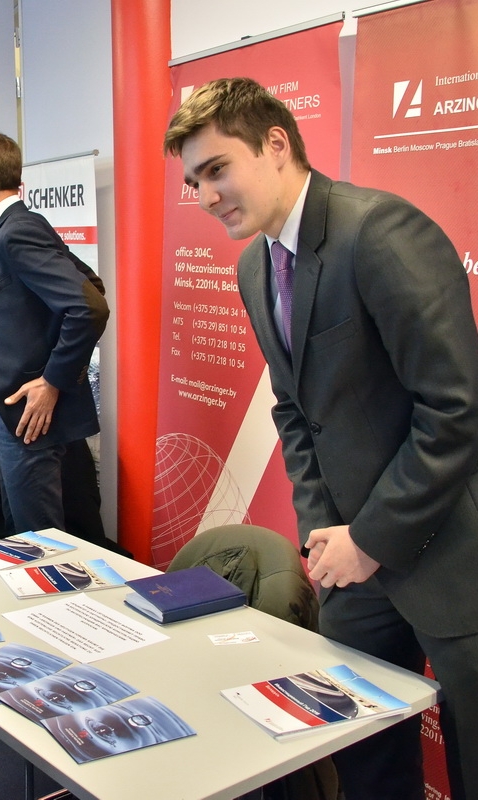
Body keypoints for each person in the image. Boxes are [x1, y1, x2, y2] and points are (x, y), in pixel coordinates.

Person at [164, 76, 478, 800]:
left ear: (276, 144)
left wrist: (370, 537)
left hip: (452, 559)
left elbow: (455, 410)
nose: (205, 196)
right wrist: (324, 531)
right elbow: (295, 411)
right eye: (193, 181)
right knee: (363, 762)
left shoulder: (380, 233)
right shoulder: (254, 266)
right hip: (353, 568)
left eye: (217, 170)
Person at [0, 131, 110, 542]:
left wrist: (51, 381)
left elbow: (90, 306)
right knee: (20, 539)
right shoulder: (13, 227)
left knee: (39, 546)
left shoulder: (16, 231)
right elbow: (90, 286)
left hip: (27, 415)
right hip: (9, 410)